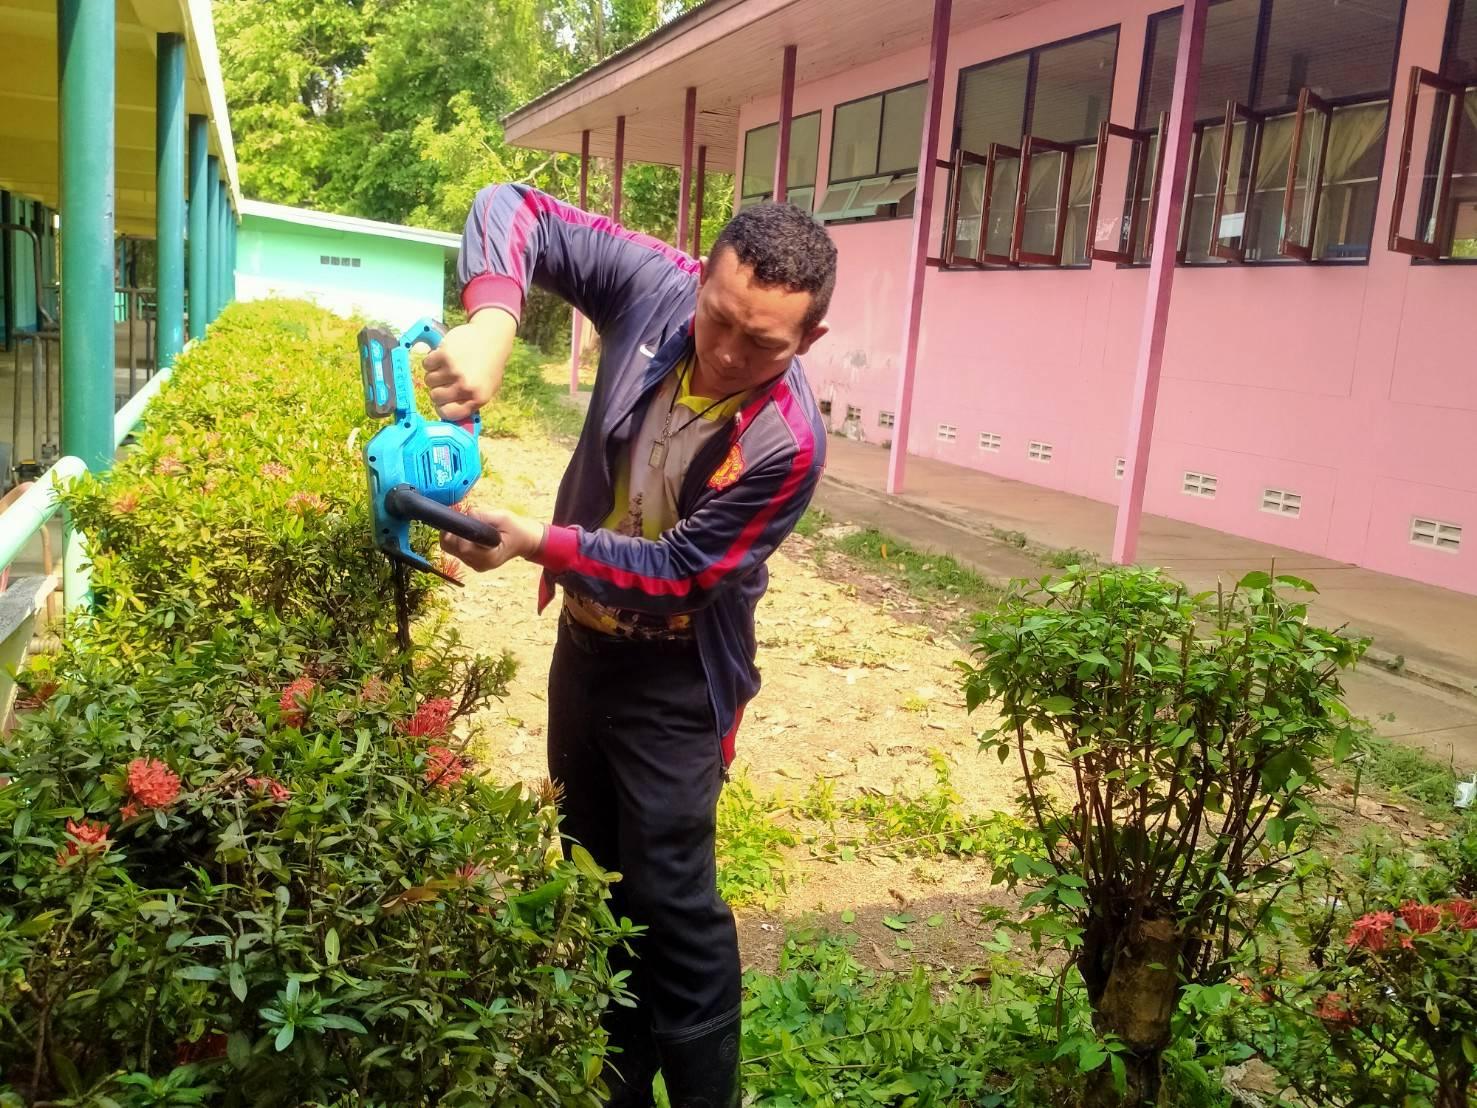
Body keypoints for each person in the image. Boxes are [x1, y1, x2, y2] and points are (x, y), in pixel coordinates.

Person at [426, 184, 836, 1108]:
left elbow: (681, 572)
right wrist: (492, 321)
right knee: (592, 867)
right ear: (699, 278)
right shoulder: (653, 287)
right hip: (585, 648)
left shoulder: (787, 445)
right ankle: (616, 1082)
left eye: (760, 344)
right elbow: (514, 207)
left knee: (672, 902)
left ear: (806, 341)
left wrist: (538, 542)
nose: (724, 353)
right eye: (717, 317)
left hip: (678, 680)